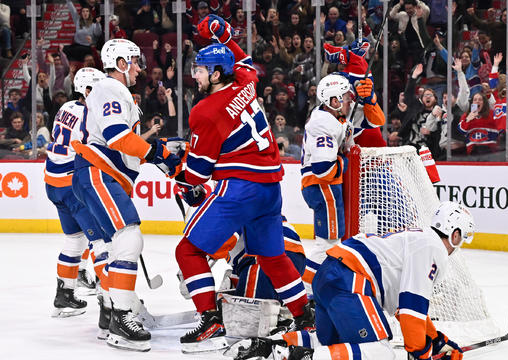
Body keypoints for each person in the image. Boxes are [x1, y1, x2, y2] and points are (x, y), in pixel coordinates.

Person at [173, 15, 313, 354]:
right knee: (271, 256)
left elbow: (196, 175)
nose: (195, 75)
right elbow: (245, 61)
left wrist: (169, 161)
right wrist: (225, 36)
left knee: (187, 251)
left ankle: (211, 321)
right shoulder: (246, 82)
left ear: (217, 74)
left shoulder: (205, 110)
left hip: (240, 188)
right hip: (270, 188)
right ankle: (303, 315)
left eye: (202, 70)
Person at [234, 201, 473, 360]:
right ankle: (293, 356)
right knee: (381, 352)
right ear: (455, 234)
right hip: (350, 280)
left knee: (330, 342)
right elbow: (411, 314)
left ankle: (271, 346)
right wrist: (425, 352)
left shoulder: (418, 239)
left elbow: (408, 311)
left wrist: (436, 339)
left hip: (330, 275)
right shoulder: (433, 249)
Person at [69, 39, 181, 352]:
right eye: (133, 61)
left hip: (98, 173)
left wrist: (158, 151)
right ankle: (122, 315)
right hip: (97, 172)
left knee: (111, 246)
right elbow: (118, 137)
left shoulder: (115, 92)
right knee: (129, 237)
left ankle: (111, 311)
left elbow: (128, 146)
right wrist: (154, 150)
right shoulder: (110, 88)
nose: (138, 68)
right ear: (119, 63)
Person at [43, 67, 110, 319]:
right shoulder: (89, 116)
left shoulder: (66, 107)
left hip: (52, 182)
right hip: (74, 186)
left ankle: (64, 296)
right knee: (101, 242)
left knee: (75, 239)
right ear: (88, 90)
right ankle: (110, 303)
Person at [299, 73, 354, 295]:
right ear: (333, 101)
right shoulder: (324, 124)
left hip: (320, 188)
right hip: (323, 188)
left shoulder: (327, 118)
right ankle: (304, 293)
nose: (349, 100)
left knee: (330, 243)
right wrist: (344, 160)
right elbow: (324, 169)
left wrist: (345, 132)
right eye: (344, 97)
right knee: (327, 245)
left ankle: (310, 291)